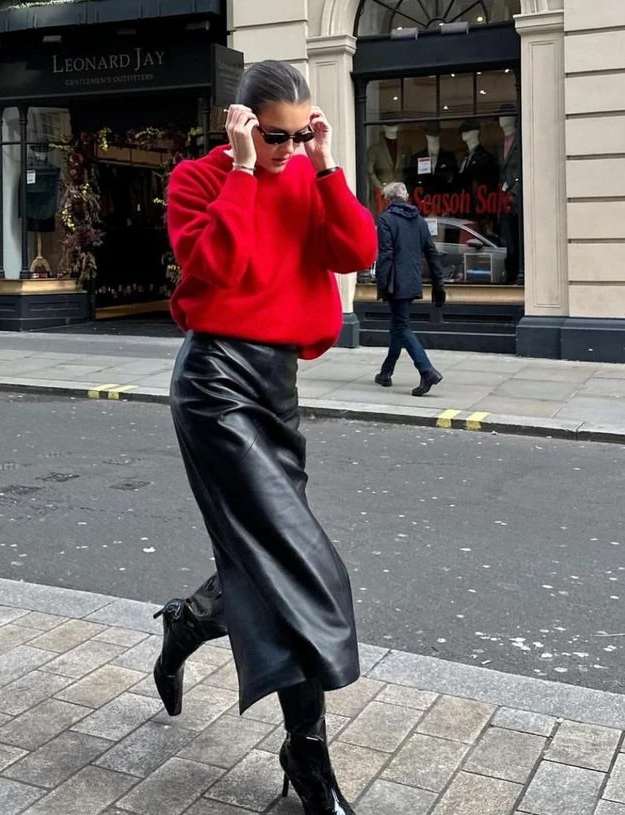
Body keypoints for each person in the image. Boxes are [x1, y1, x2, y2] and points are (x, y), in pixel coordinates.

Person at [156, 59, 377, 814]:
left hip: (276, 386)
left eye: (300, 134)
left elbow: (357, 253)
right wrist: (245, 171)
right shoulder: (199, 180)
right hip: (215, 382)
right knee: (301, 563)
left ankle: (190, 619)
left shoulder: (309, 176)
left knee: (271, 556)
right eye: (274, 135)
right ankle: (308, 761)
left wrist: (327, 166)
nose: (288, 148)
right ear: (243, 123)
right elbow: (214, 266)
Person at [374, 181, 445, 396]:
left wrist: (382, 283)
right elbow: (431, 253)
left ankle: (426, 370)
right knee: (398, 326)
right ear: (405, 198)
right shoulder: (419, 221)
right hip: (412, 281)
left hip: (395, 283)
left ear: (388, 199)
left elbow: (386, 254)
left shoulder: (385, 220)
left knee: (402, 327)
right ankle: (386, 372)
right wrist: (438, 284)